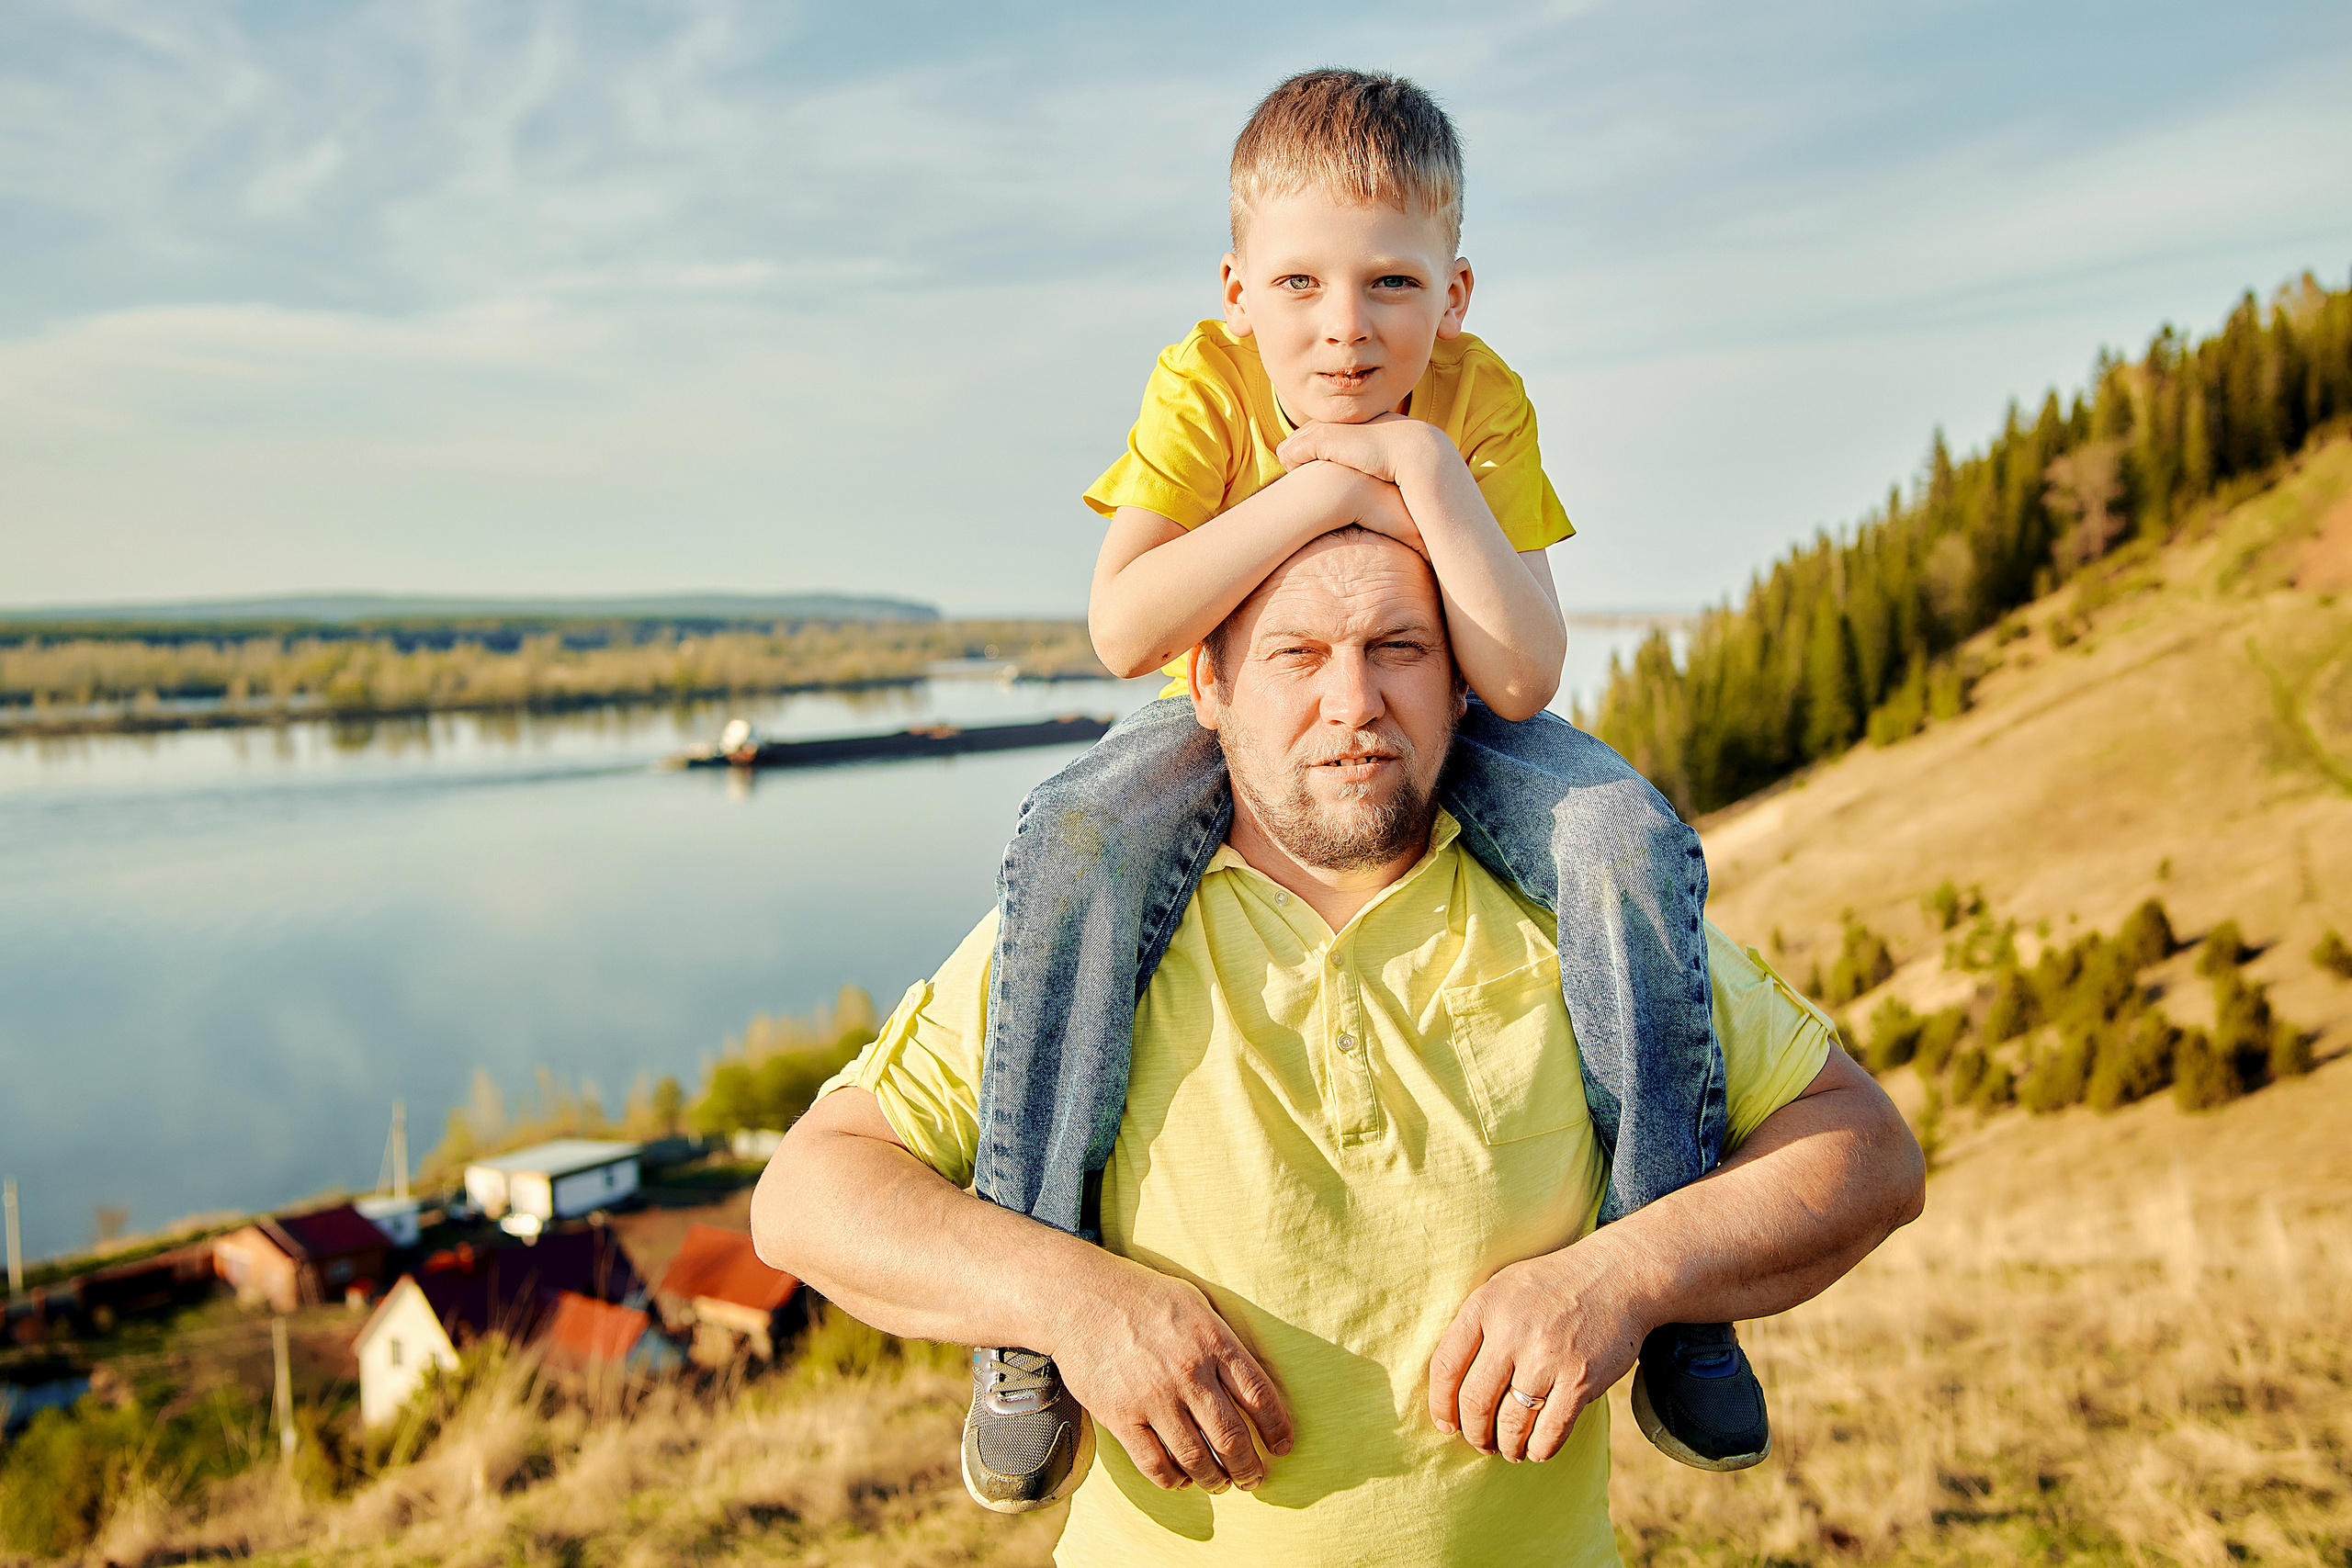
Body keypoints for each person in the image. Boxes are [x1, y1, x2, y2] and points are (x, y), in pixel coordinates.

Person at [752, 526, 1927, 1566]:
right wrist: (1075, 1305)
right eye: (1296, 655)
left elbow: (1866, 1152)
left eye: (1401, 650)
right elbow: (809, 1193)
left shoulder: (1586, 914)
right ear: (1206, 683)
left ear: (1464, 685)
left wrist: (1618, 1279)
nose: (1354, 702)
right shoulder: (1097, 935)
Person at [969, 67, 1746, 1511]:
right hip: (1221, 720)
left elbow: (1519, 672)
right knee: (1071, 834)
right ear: (1235, 286)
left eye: (1392, 282)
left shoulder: (1474, 396)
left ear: (1453, 289)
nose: (1345, 326)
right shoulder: (1203, 381)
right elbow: (1130, 626)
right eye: (1303, 283)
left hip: (1442, 707)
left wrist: (1424, 465)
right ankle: (1030, 1311)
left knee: (1624, 836)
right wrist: (1322, 495)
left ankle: (1676, 1279)